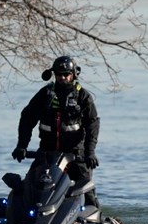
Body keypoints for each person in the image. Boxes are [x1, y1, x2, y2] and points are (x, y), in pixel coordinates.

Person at [12, 55, 101, 207]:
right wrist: (22, 146)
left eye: (66, 74)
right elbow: (27, 119)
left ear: (74, 74)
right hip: (46, 153)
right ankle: (23, 217)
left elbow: (92, 124)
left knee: (86, 191)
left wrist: (90, 152)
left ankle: (96, 221)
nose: (63, 78)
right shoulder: (45, 94)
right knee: (29, 185)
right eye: (59, 75)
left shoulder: (83, 96)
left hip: (75, 155)